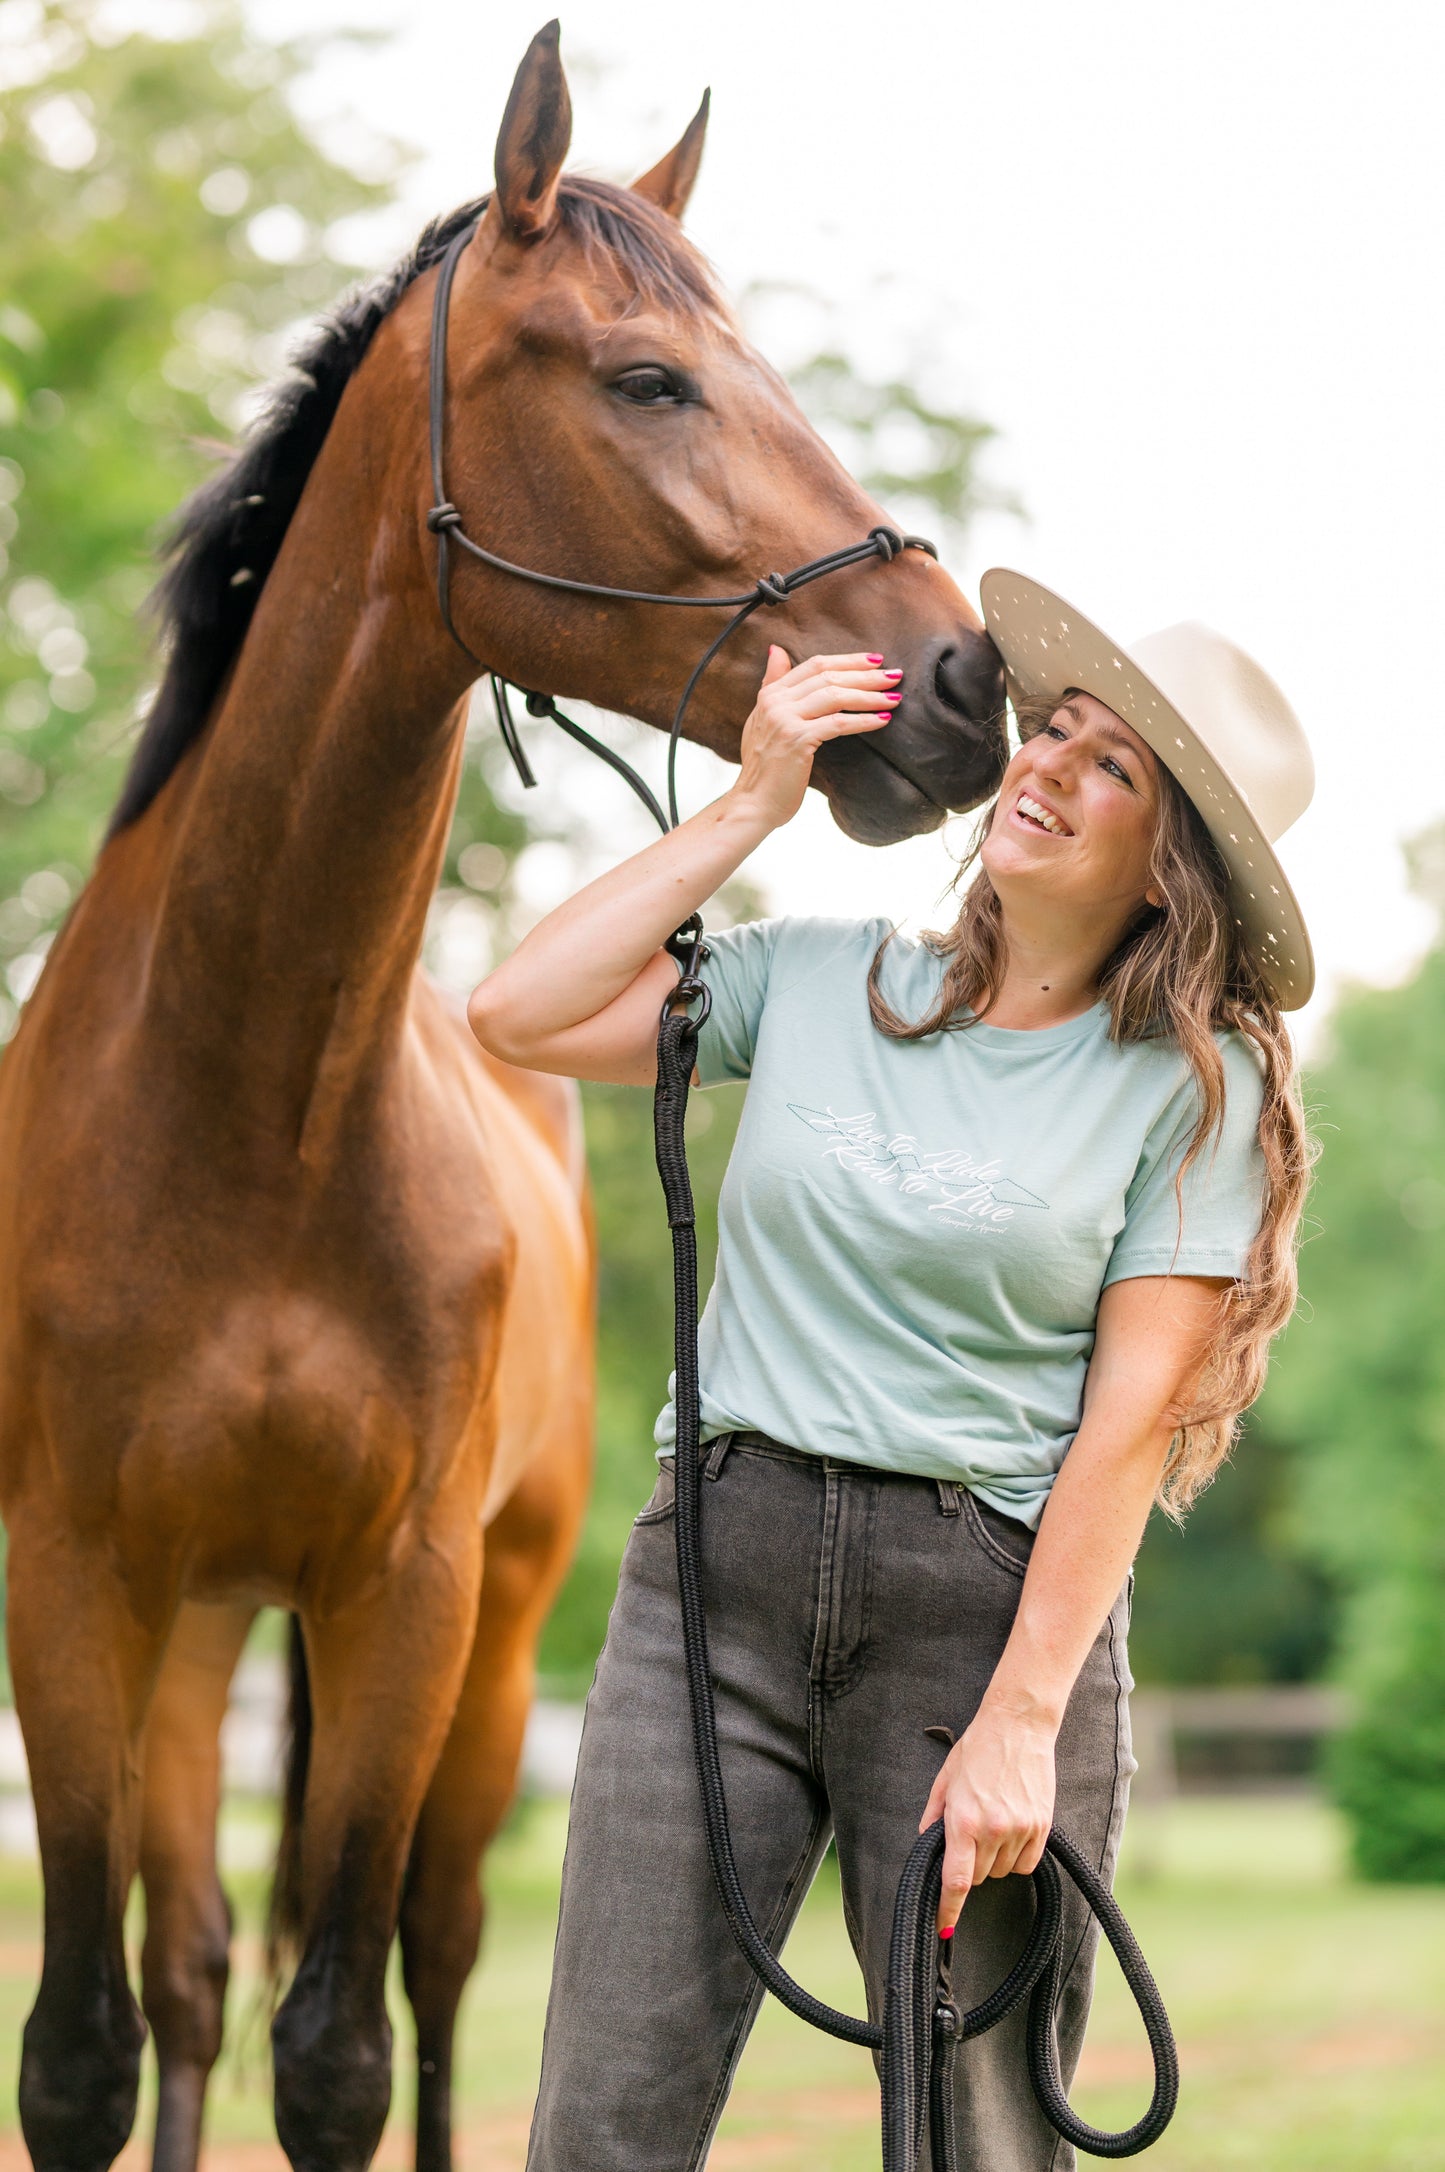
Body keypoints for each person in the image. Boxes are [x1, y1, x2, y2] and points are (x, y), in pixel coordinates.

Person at [468, 570, 1316, 2172]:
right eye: (1052, 730)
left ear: (1170, 866)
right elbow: (514, 1009)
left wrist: (1018, 1719)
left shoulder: (1189, 1100)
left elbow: (1126, 1432)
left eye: (1113, 767)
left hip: (974, 1628)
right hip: (710, 1586)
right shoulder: (812, 979)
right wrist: (746, 805)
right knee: (601, 2125)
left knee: (977, 2146)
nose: (1048, 767)